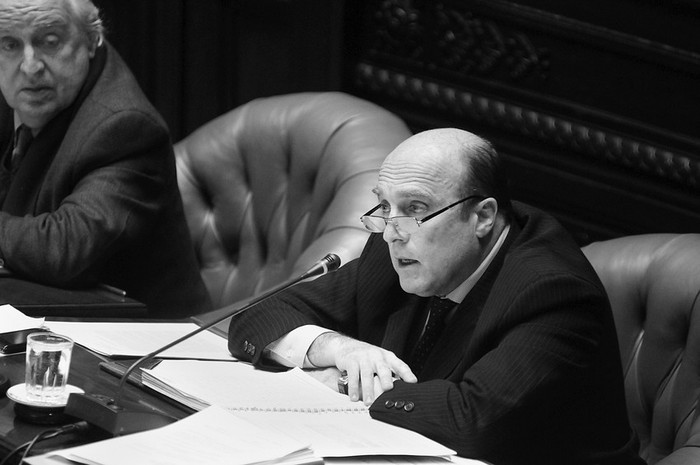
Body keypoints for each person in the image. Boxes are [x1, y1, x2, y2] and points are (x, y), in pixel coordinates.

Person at [228, 128, 644, 464]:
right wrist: (334, 347)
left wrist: (340, 382)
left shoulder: (552, 292)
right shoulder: (395, 248)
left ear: (482, 216)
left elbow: (474, 421)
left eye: (415, 208)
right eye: (384, 207)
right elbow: (259, 318)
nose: (393, 230)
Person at [0, 0, 211, 317]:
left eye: (50, 41)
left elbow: (64, 247)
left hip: (143, 347)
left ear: (91, 39)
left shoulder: (126, 126)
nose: (30, 66)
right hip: (50, 318)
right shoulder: (36, 92)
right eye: (10, 44)